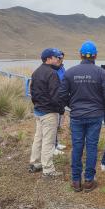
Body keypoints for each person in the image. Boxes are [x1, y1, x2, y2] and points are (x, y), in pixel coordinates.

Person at [58, 40, 105, 192]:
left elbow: (62, 95)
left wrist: (73, 105)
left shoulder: (70, 72)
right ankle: (89, 180)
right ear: (95, 55)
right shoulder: (102, 73)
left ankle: (76, 181)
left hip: (76, 116)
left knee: (77, 147)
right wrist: (99, 105)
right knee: (91, 147)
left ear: (81, 55)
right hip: (95, 116)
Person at [28, 48, 65, 178]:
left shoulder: (36, 72)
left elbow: (31, 91)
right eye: (56, 57)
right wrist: (61, 110)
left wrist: (37, 105)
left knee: (38, 138)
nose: (59, 59)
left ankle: (35, 163)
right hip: (49, 112)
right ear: (48, 59)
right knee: (48, 142)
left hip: (39, 111)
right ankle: (48, 169)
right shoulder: (52, 74)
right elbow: (56, 96)